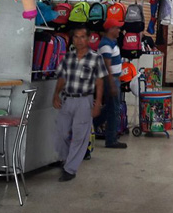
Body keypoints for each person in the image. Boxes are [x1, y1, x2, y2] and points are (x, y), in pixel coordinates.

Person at [52, 26, 107, 182]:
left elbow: (100, 82)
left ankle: (70, 169)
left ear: (88, 39)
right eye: (76, 37)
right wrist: (56, 94)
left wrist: (98, 103)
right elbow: (62, 78)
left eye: (83, 37)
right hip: (67, 99)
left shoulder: (96, 58)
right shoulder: (68, 57)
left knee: (79, 136)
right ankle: (65, 160)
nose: (79, 40)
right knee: (61, 133)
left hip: (85, 100)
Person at [98, 18, 127, 149]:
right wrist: (112, 84)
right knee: (114, 110)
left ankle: (92, 123)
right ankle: (111, 140)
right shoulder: (106, 44)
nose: (119, 30)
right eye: (117, 28)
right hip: (110, 79)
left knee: (110, 108)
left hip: (114, 79)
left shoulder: (112, 42)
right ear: (111, 29)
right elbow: (106, 66)